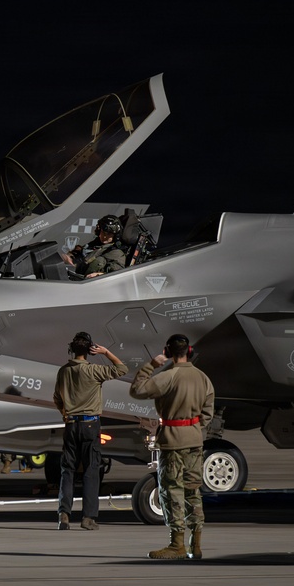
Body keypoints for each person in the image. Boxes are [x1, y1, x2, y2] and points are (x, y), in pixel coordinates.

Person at [129, 334, 215, 560]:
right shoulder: (203, 378)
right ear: (189, 351)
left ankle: (177, 545)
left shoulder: (167, 377)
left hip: (172, 441)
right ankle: (195, 544)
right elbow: (207, 414)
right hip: (194, 440)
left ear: (168, 352)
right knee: (192, 490)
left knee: (172, 490)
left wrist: (151, 365)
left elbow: (137, 390)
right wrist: (192, 428)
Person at [54, 331, 128, 530]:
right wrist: (106, 352)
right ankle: (88, 518)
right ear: (89, 350)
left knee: (67, 471)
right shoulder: (94, 370)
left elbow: (57, 398)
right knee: (91, 471)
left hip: (71, 424)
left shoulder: (63, 371)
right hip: (90, 424)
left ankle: (64, 515)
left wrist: (65, 414)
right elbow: (122, 369)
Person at [62, 214, 126, 278]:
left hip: (94, 282)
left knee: (100, 260)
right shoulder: (94, 245)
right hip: (75, 277)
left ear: (115, 236)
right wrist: (69, 257)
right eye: (103, 232)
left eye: (109, 234)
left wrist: (100, 274)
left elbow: (117, 274)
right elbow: (80, 254)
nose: (104, 236)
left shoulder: (116, 253)